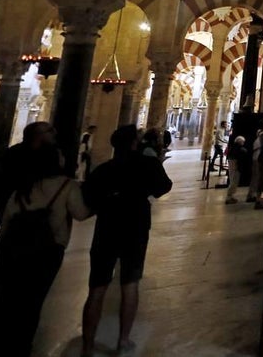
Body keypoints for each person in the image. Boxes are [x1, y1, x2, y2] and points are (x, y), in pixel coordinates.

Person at [0, 141, 91, 357]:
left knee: (5, 300)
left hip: (14, 250)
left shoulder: (24, 185)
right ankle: (20, 347)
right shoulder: (66, 186)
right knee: (32, 302)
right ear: (56, 161)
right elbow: (81, 213)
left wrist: (2, 257)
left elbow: (6, 223)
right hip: (47, 251)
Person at [81, 124, 173, 357]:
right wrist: (143, 196)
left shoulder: (104, 170)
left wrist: (110, 200)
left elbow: (88, 199)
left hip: (107, 228)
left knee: (97, 288)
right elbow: (164, 186)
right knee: (130, 285)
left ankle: (88, 346)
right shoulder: (147, 164)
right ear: (134, 142)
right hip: (136, 228)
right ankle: (123, 340)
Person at [0, 121, 59, 222]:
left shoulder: (51, 154)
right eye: (50, 131)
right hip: (15, 206)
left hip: (36, 209)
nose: (54, 133)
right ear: (38, 135)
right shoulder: (14, 154)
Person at [225, 135, 248, 204]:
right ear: (240, 142)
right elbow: (236, 157)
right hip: (235, 167)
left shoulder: (235, 147)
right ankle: (229, 197)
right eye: (243, 142)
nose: (243, 143)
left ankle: (231, 196)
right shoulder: (237, 148)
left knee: (234, 181)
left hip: (234, 166)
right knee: (233, 181)